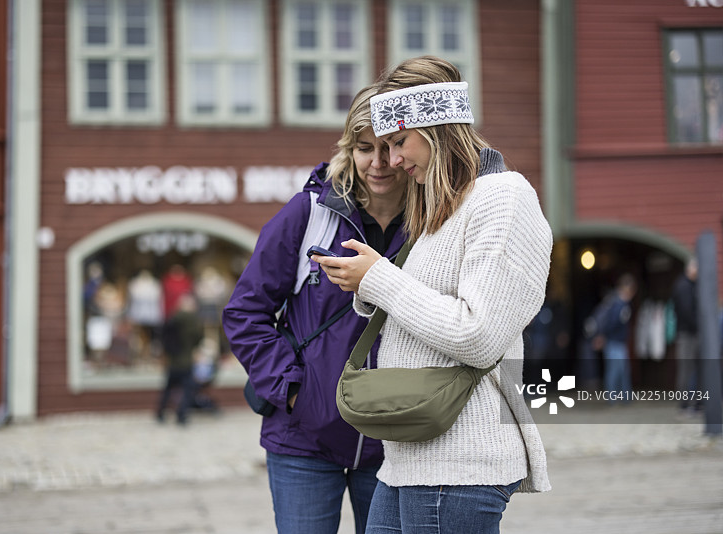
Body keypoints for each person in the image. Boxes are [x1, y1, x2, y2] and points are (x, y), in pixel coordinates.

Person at [314, 56, 553, 534]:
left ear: (436, 129)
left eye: (398, 142)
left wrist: (380, 279)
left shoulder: (503, 198)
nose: (393, 161)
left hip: (460, 460)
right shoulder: (443, 206)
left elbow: (478, 335)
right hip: (410, 456)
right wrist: (368, 283)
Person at [221, 85, 408, 534]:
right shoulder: (310, 213)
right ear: (349, 149)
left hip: (396, 441)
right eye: (365, 148)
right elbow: (245, 312)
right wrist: (294, 392)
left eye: (389, 147)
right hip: (304, 439)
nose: (378, 163)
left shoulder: (431, 222)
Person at [156, 293, 204, 425]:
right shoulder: (193, 320)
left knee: (168, 388)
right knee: (187, 390)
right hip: (186, 360)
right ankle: (181, 415)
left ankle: (160, 413)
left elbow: (163, 337)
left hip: (173, 360)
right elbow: (198, 338)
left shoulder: (172, 318)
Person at [591, 273, 638, 403]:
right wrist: (604, 336)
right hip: (615, 341)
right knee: (617, 370)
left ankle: (621, 397)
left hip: (615, 341)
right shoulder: (619, 305)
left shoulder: (613, 302)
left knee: (618, 370)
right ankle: (617, 398)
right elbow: (612, 323)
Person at [672, 257, 702, 414]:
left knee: (695, 368)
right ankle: (684, 404)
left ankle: (695, 402)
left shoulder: (693, 285)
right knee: (686, 369)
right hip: (686, 334)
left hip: (692, 333)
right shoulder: (683, 286)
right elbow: (686, 311)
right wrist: (699, 326)